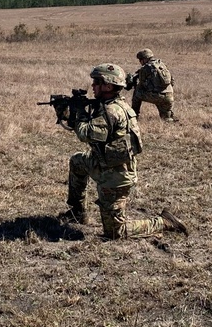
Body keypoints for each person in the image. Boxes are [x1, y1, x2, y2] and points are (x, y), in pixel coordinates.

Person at [60, 63, 189, 239]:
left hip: (116, 177)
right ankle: (77, 212)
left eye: (96, 82)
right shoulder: (112, 103)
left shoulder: (111, 111)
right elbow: (92, 130)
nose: (92, 86)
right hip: (104, 163)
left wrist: (79, 112)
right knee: (77, 161)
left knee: (115, 233)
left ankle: (164, 222)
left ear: (108, 85)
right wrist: (68, 115)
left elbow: (85, 133)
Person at [125, 49, 177, 122]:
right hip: (169, 97)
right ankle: (169, 116)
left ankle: (134, 116)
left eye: (140, 60)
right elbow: (172, 81)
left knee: (137, 93)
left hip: (158, 96)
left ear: (144, 59)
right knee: (165, 118)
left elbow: (142, 85)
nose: (140, 62)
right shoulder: (161, 64)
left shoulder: (146, 68)